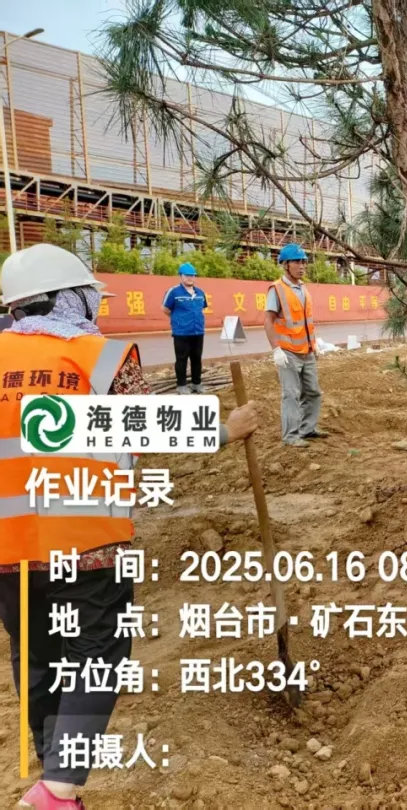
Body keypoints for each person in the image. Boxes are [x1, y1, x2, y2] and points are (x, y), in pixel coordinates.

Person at [0, 244, 260, 810]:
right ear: (70, 298)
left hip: (7, 550)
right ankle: (57, 791)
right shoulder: (100, 358)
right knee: (96, 656)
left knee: (37, 655)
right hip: (85, 544)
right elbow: (149, 429)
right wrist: (226, 428)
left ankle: (53, 778)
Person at [264, 242, 325, 447]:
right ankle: (290, 435)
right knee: (290, 394)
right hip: (288, 352)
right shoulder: (277, 289)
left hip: (306, 351)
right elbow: (268, 320)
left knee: (313, 391)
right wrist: (276, 350)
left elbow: (306, 321)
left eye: (303, 262)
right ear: (286, 265)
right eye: (297, 262)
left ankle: (308, 429)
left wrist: (314, 344)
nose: (302, 266)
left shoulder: (303, 289)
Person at [161, 261, 207, 393]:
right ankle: (181, 385)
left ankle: (196, 383)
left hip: (198, 331)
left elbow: (202, 308)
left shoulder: (200, 293)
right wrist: (178, 320)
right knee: (181, 359)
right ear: (180, 276)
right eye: (187, 275)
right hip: (181, 333)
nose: (190, 278)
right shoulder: (174, 292)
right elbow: (165, 309)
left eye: (192, 275)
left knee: (197, 359)